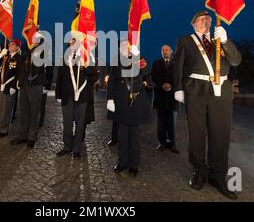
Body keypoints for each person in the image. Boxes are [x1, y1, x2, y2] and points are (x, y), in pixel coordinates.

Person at [172, 10, 241, 200]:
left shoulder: (220, 40)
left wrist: (226, 41)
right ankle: (200, 172)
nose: (205, 22)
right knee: (197, 133)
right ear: (193, 24)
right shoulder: (185, 40)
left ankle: (218, 176)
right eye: (201, 20)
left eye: (208, 20)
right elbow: (178, 65)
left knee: (221, 133)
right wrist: (178, 88)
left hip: (221, 90)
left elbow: (236, 61)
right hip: (196, 90)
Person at [107, 39, 154, 176]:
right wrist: (110, 98)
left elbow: (147, 74)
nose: (122, 47)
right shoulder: (116, 60)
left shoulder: (138, 58)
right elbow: (111, 81)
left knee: (134, 136)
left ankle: (134, 165)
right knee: (122, 136)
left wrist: (138, 56)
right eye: (120, 46)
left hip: (137, 101)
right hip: (121, 102)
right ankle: (122, 162)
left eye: (124, 45)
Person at [55, 38, 98, 158]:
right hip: (67, 96)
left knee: (80, 124)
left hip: (82, 96)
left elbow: (94, 75)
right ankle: (67, 147)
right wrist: (58, 94)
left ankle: (77, 149)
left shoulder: (86, 57)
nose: (72, 43)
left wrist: (86, 84)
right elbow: (60, 77)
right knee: (67, 123)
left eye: (74, 41)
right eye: (70, 42)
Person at [11, 32, 48, 148]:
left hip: (36, 84)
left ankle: (32, 137)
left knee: (34, 111)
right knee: (24, 110)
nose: (33, 39)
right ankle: (22, 135)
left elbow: (40, 66)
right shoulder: (28, 52)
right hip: (25, 84)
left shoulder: (44, 51)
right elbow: (23, 67)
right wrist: (20, 81)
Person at [0, 39, 22, 137]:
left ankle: (4, 130)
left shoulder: (19, 58)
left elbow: (19, 74)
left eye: (13, 45)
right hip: (0, 86)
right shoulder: (5, 57)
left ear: (17, 47)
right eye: (10, 44)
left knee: (6, 109)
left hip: (9, 87)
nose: (10, 46)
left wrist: (14, 86)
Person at [151, 45, 179, 153]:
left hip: (173, 98)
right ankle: (162, 143)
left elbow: (178, 77)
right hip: (160, 97)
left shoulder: (176, 64)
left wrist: (171, 85)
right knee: (161, 122)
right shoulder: (156, 63)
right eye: (162, 50)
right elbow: (153, 77)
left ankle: (172, 144)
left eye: (166, 50)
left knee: (172, 122)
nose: (164, 51)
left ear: (171, 51)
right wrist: (162, 85)